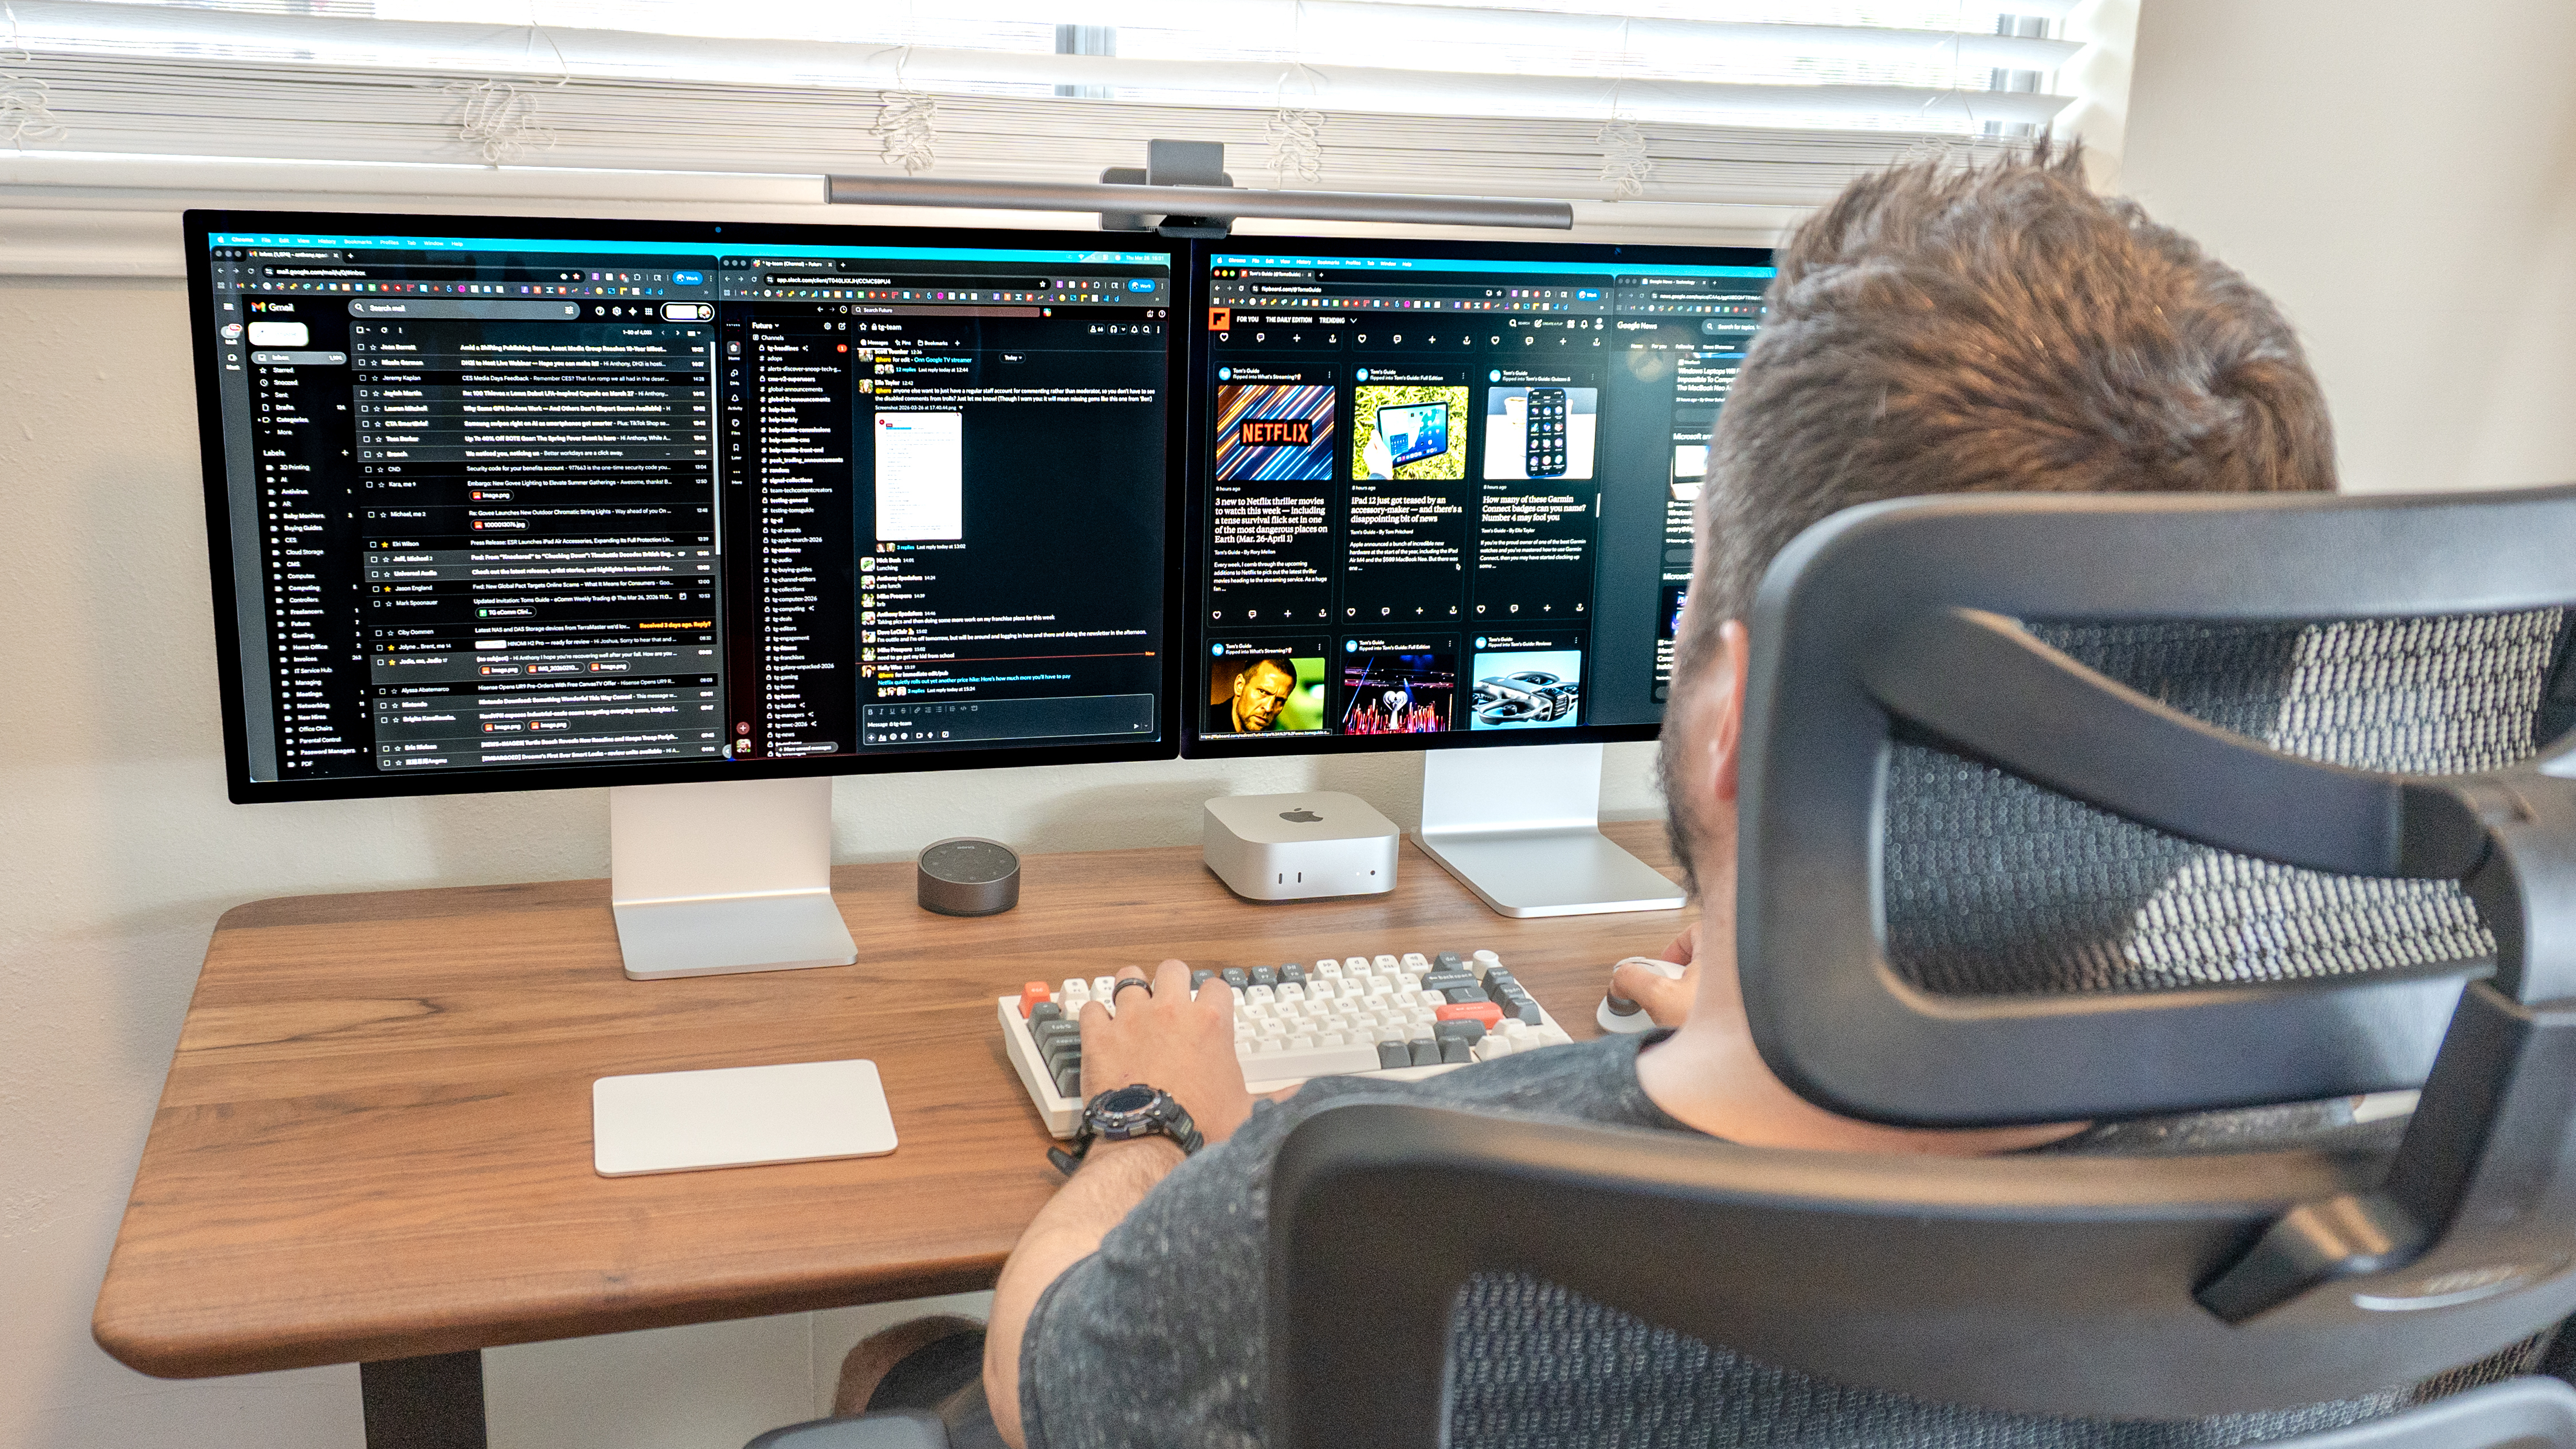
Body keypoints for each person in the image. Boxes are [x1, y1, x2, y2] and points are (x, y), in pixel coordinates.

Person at [848, 140, 2346, 1446]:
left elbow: (1046, 1381)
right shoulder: (2405, 1182)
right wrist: (1760, 1033)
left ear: (1735, 722)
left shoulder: (1360, 1203)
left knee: (898, 1367)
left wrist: (1144, 1121)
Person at [1212, 655, 1299, 733]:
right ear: (1240, 686)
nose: (1268, 708)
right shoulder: (1205, 724)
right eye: (1263, 692)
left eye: (1279, 700)